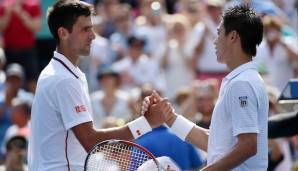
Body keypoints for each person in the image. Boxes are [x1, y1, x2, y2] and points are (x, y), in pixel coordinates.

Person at [28, 1, 171, 170]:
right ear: (63, 33)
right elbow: (90, 141)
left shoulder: (65, 73)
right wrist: (145, 123)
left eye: (92, 28)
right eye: (85, 29)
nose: (93, 35)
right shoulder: (62, 79)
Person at [144, 5, 268, 171]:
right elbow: (216, 144)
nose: (215, 41)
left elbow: (248, 146)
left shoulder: (242, 84)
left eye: (218, 33)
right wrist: (170, 118)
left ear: (232, 37)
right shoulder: (242, 80)